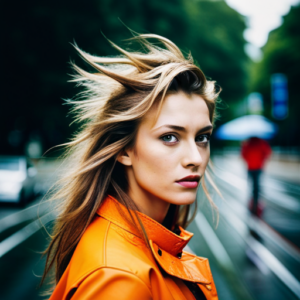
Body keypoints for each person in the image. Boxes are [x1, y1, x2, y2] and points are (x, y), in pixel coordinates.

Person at [42, 33, 220, 300]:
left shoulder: (145, 244)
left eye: (202, 137)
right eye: (169, 137)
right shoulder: (118, 280)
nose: (195, 157)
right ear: (124, 149)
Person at [241, 137, 272, 216]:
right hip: (258, 168)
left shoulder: (247, 143)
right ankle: (256, 202)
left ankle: (252, 202)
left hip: (250, 168)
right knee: (257, 186)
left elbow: (243, 155)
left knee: (252, 186)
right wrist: (261, 160)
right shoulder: (262, 142)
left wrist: (248, 160)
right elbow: (268, 153)